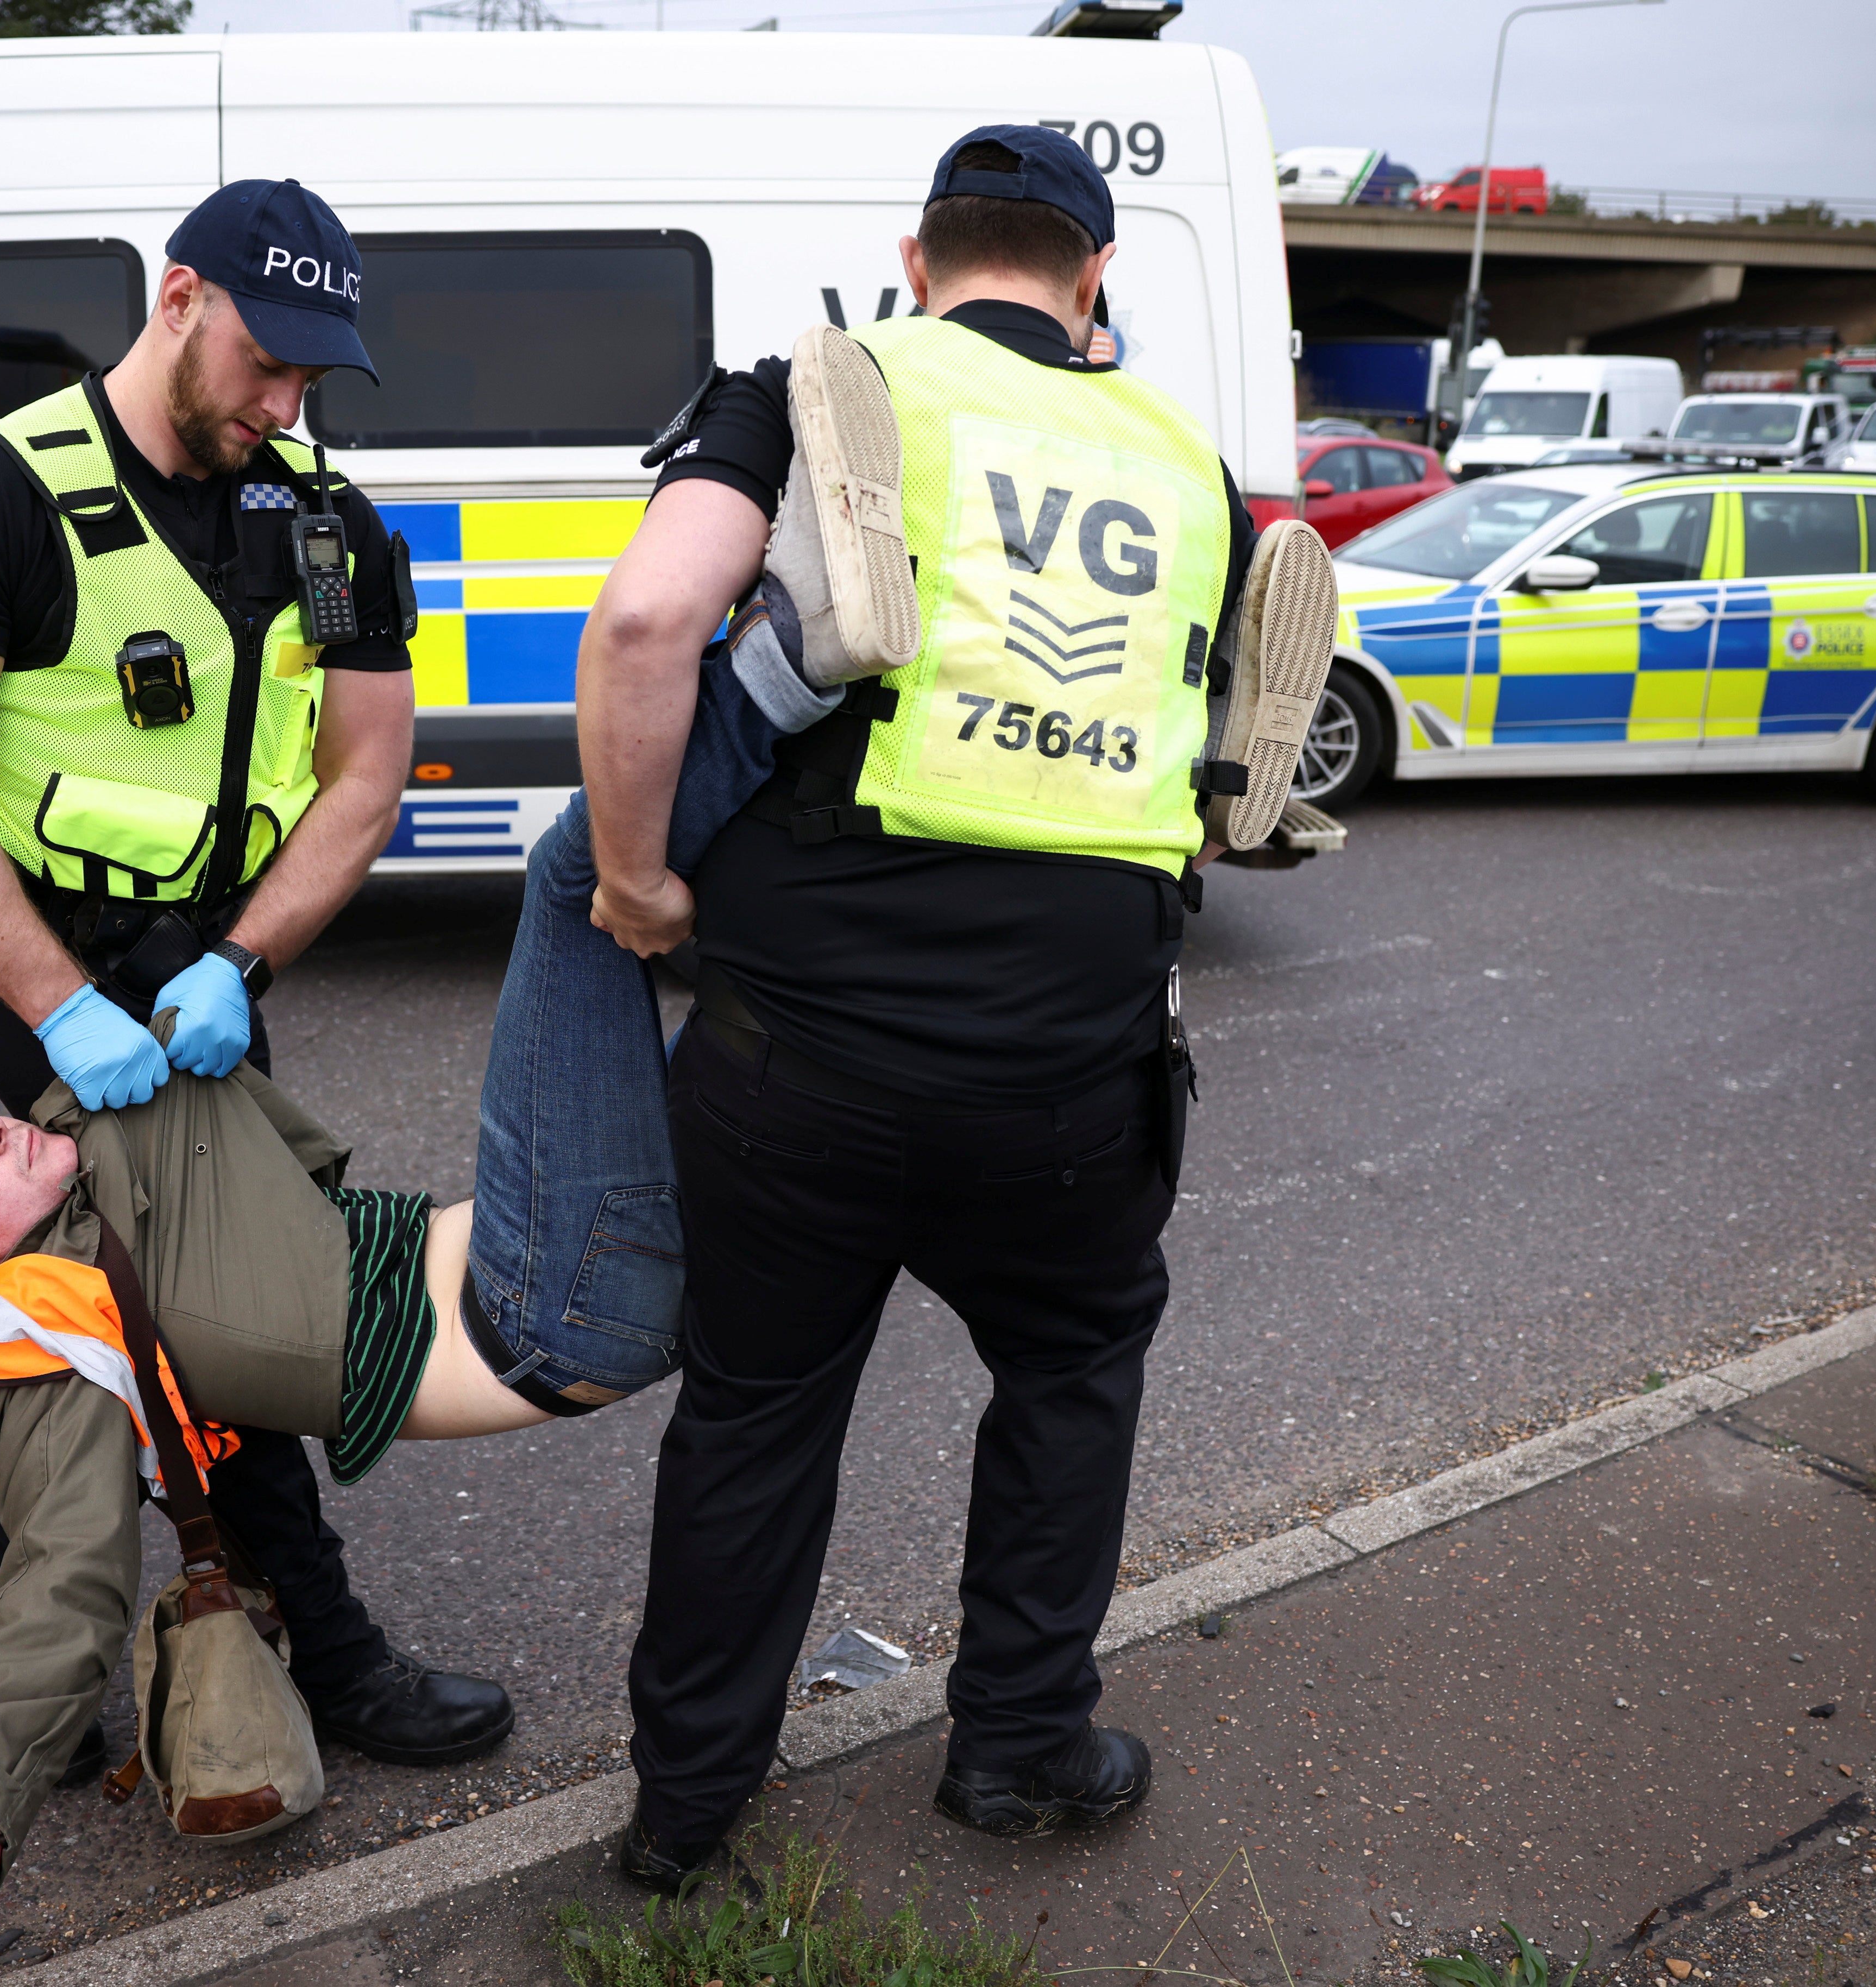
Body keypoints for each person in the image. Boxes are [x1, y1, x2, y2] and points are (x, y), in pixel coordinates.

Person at [0, 637, 833, 1960]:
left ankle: (873, 791)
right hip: (552, 1299)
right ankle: (795, 663)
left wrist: (199, 968)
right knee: (581, 871)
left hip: (537, 1257)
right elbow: (63, 1572)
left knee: (783, 1024)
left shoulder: (66, 1128)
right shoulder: (32, 1336)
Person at [578, 125, 1337, 1883]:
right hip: (1067, 1079)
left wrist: (632, 885)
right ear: (1096, 291)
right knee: (1071, 1374)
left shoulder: (821, 389)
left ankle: (684, 1823)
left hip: (795, 1053)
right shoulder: (1189, 471)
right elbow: (1231, 762)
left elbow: (640, 628)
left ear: (918, 263)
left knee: (756, 1417)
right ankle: (1016, 1751)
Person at [0, 178, 503, 1776]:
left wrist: (239, 956)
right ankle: (325, 1652)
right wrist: (62, 1004)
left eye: (313, 379)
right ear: (179, 296)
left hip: (206, 974)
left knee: (144, 1314)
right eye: (267, 363)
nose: (285, 404)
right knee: (215, 1317)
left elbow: (363, 776)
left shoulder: (325, 522)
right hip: (38, 974)